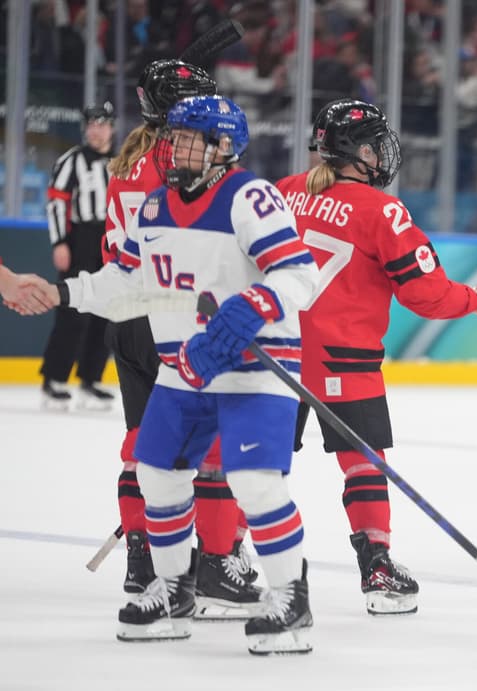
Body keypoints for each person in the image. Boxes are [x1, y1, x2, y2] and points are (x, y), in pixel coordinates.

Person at [28, 95, 318, 654]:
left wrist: (251, 306)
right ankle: (174, 589)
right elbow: (128, 284)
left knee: (256, 484)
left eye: (188, 137)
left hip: (253, 368)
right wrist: (64, 292)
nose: (173, 146)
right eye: (173, 136)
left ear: (222, 147)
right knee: (157, 475)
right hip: (183, 367)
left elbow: (297, 275)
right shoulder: (155, 207)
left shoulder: (249, 198)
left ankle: (290, 597)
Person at [275, 98, 477, 615]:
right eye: (375, 145)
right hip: (342, 357)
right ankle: (376, 566)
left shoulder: (284, 193)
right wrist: (475, 299)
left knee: (259, 465)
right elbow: (425, 294)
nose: (382, 155)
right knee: (363, 465)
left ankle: (221, 560)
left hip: (276, 353)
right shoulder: (382, 210)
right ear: (356, 151)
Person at [103, 59, 260, 619]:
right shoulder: (175, 162)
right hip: (170, 316)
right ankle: (217, 561)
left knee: (142, 444)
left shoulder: (126, 160)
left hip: (125, 316)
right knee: (210, 446)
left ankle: (142, 563)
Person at [40, 102, 115, 410]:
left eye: (102, 124)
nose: (95, 130)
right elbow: (57, 202)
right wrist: (59, 242)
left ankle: (90, 379)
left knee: (107, 310)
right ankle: (54, 380)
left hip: (111, 241)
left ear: (112, 127)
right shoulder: (71, 160)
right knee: (71, 309)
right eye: (91, 124)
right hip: (80, 238)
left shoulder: (122, 161)